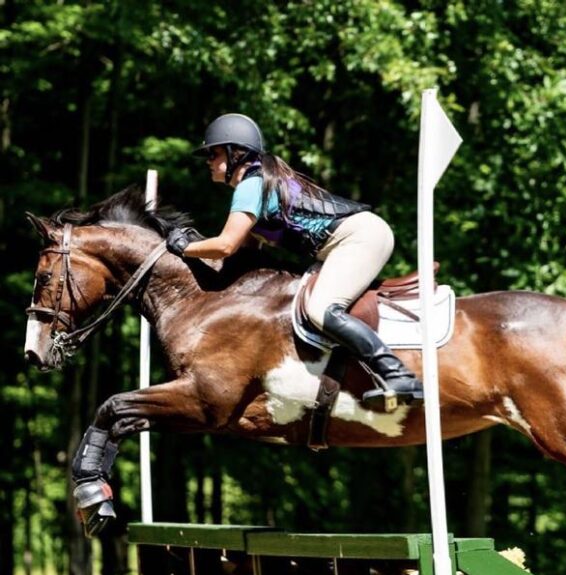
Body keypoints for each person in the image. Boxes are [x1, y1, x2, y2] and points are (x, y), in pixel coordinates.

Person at [166, 113, 423, 411]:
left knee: (320, 309)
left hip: (358, 237)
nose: (208, 160)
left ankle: (398, 375)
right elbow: (241, 256)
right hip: (342, 244)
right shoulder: (259, 182)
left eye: (214, 153)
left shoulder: (251, 186)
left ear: (237, 154)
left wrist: (185, 248)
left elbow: (225, 244)